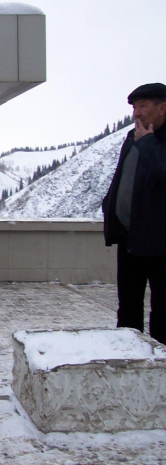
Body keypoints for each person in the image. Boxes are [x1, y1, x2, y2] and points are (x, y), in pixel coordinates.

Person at [102, 82, 166, 345]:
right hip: (130, 237)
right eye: (134, 107)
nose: (136, 113)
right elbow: (123, 178)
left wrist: (148, 142)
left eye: (143, 106)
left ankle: (160, 363)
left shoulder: (147, 140)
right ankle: (127, 354)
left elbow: (162, 169)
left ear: (162, 108)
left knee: (162, 309)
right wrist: (111, 205)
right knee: (128, 305)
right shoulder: (133, 137)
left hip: (160, 242)